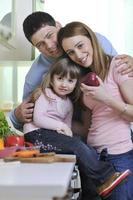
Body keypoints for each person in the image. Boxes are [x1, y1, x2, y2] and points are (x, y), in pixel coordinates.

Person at [24, 56, 131, 200]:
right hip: (36, 135)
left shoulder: (68, 103)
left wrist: (68, 136)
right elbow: (38, 118)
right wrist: (61, 127)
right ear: (52, 79)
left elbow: (67, 126)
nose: (64, 84)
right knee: (77, 146)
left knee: (85, 149)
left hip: (53, 136)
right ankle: (106, 176)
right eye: (60, 78)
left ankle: (93, 192)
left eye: (70, 81)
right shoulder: (46, 94)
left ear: (76, 84)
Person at [9, 11, 133, 132]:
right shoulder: (35, 75)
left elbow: (120, 74)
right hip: (73, 133)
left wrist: (130, 61)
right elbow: (23, 117)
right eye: (40, 44)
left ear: (58, 26)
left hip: (115, 126)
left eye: (50, 35)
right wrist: (17, 115)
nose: (49, 46)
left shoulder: (94, 41)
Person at [57, 21, 133, 200]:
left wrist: (105, 98)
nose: (78, 55)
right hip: (93, 159)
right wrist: (55, 124)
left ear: (91, 39)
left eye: (80, 45)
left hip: (118, 157)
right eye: (71, 52)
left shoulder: (118, 65)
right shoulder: (83, 79)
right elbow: (86, 126)